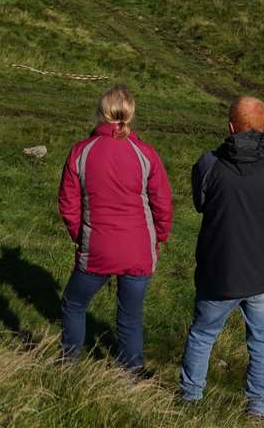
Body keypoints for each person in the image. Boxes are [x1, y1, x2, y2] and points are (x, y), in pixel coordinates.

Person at [179, 96, 264, 421]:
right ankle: (258, 409)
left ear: (230, 127)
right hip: (262, 274)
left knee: (202, 335)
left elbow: (200, 203)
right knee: (261, 342)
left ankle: (190, 401)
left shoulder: (208, 165)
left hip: (218, 272)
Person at [57, 85, 172, 372]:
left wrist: (81, 237)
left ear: (101, 112)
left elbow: (68, 205)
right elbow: (162, 203)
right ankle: (131, 373)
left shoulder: (81, 152)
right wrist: (159, 237)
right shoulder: (145, 153)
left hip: (97, 248)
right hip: (138, 250)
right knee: (130, 315)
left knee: (74, 303)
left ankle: (68, 364)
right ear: (130, 114)